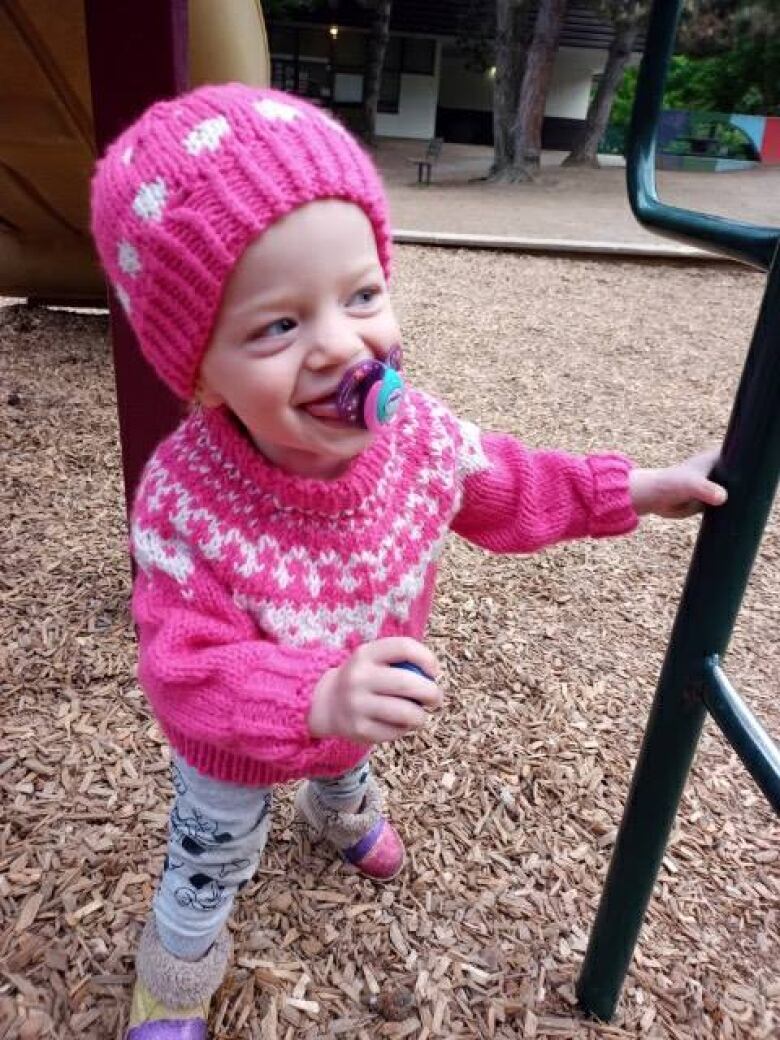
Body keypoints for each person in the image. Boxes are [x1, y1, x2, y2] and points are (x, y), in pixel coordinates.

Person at [90, 84, 727, 1039]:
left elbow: (515, 482)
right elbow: (186, 669)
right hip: (238, 740)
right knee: (209, 860)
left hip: (361, 701)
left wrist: (638, 487)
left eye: (361, 296)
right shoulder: (187, 498)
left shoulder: (417, 436)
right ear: (196, 367)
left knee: (349, 755)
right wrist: (315, 698)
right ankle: (173, 985)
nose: (342, 346)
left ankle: (339, 814)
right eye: (278, 325)